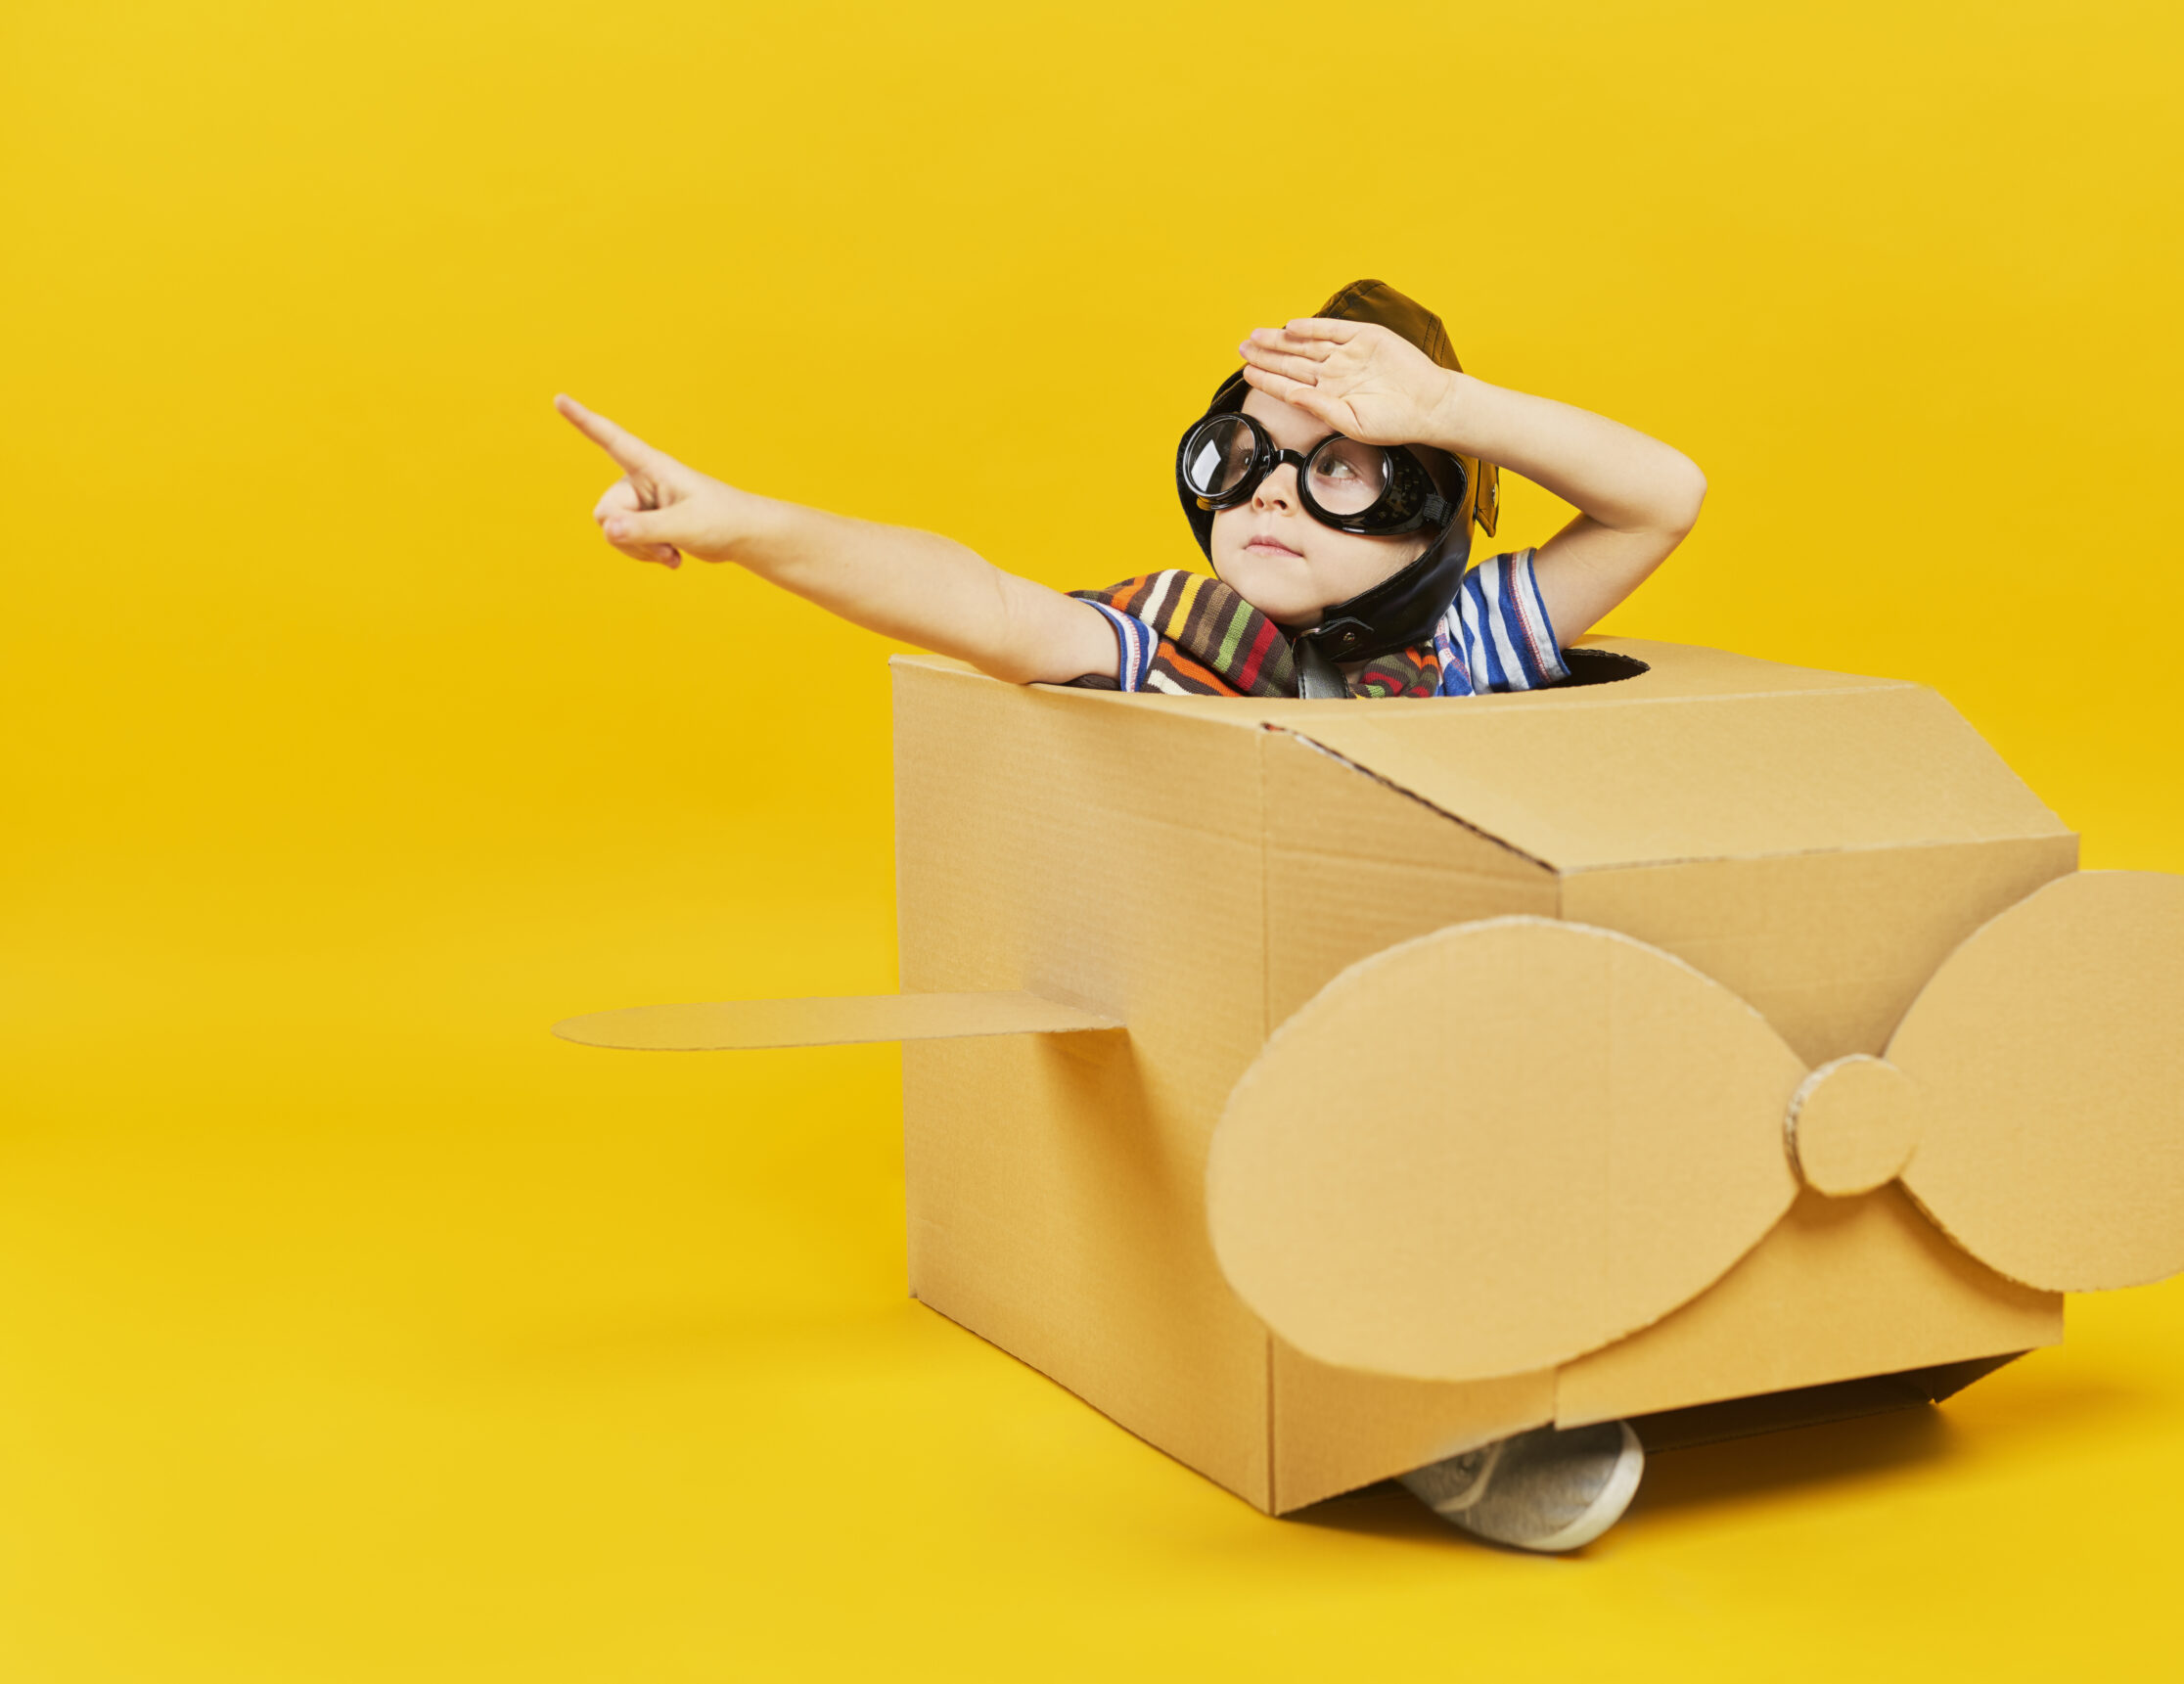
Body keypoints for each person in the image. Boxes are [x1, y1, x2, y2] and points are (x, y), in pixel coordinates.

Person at [556, 281, 1708, 1548]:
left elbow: (1661, 496)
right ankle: (1421, 1403)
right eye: (1249, 456)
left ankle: (1514, 1336)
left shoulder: (1478, 635)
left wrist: (1451, 407)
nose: (1272, 493)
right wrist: (748, 526)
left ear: (1439, 501)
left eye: (1344, 467)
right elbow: (983, 603)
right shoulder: (1175, 642)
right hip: (1247, 1060)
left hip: (1468, 1039)